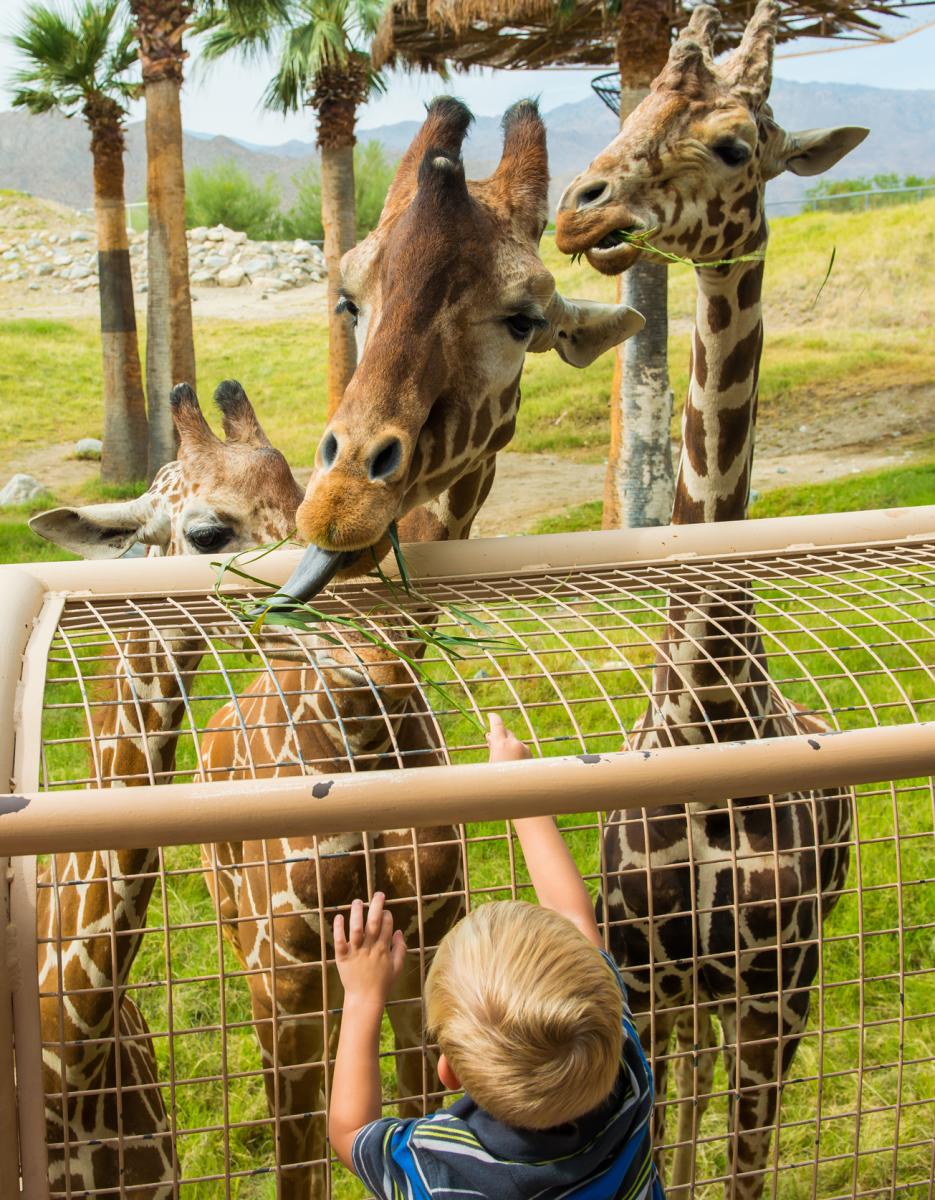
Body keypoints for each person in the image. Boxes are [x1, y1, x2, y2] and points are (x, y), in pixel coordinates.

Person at [329, 713, 664, 1200]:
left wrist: (360, 997)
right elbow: (573, 917)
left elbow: (349, 1134)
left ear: (448, 1072)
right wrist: (522, 792)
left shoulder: (440, 1170)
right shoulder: (625, 1075)